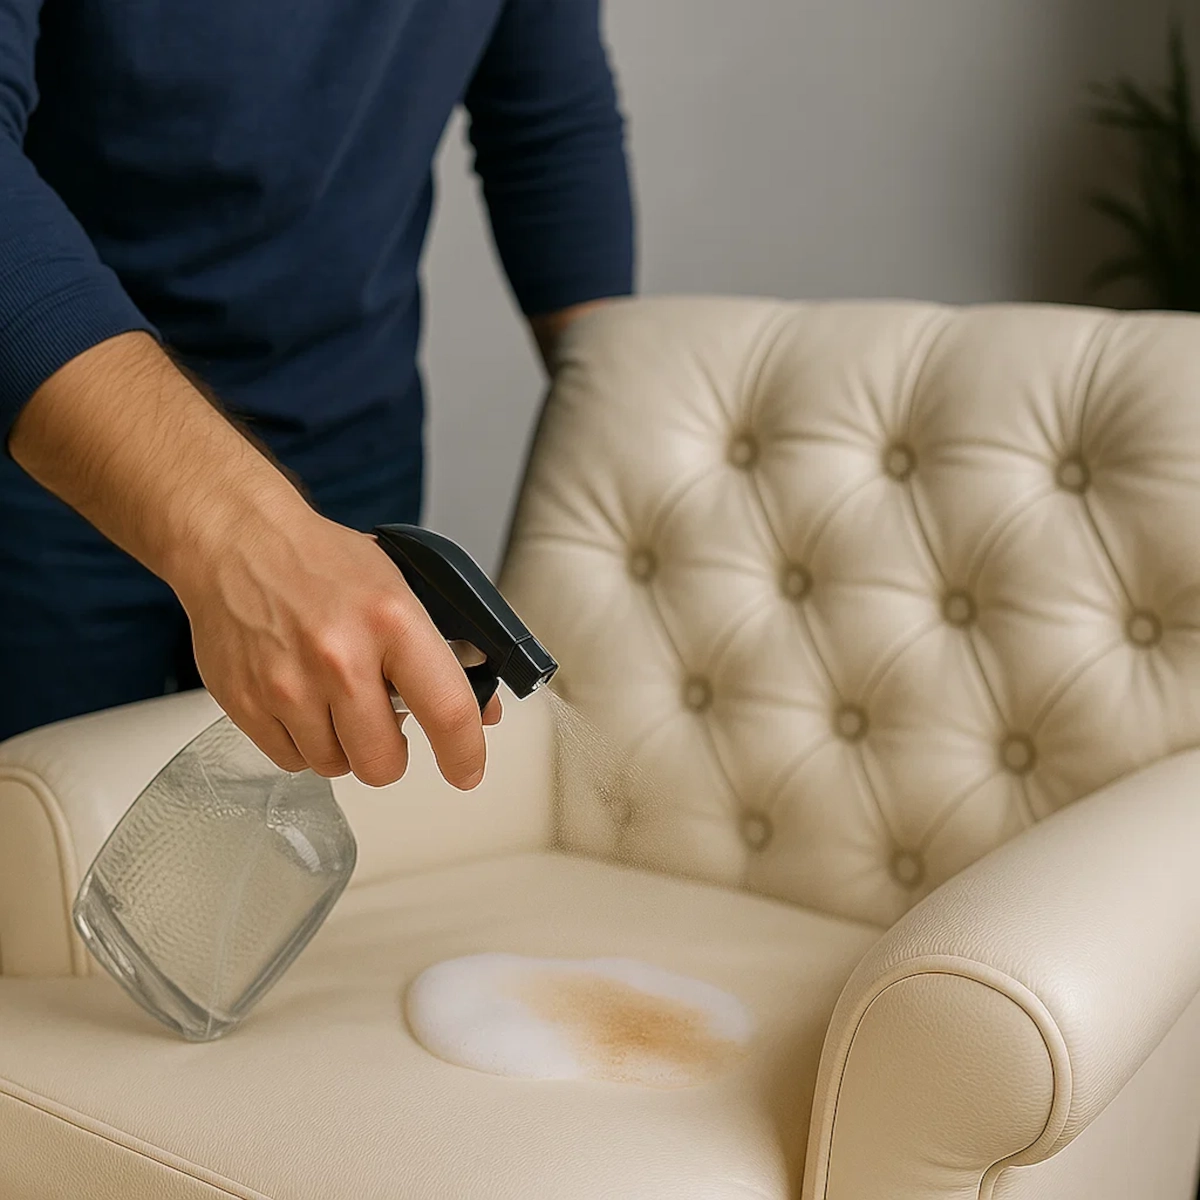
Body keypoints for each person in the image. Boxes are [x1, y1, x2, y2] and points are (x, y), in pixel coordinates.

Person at [0, 1, 634, 791]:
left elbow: (546, 123)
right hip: (48, 439)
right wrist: (240, 529)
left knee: (293, 867)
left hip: (349, 441)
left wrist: (638, 470)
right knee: (34, 862)